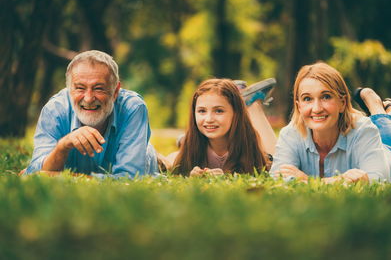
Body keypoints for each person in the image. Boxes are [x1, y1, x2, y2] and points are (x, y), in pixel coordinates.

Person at [23, 50, 158, 178]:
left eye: (98, 88)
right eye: (80, 88)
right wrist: (63, 146)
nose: (88, 98)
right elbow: (36, 171)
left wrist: (65, 177)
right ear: (69, 89)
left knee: (166, 165)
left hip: (144, 156)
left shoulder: (133, 108)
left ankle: (170, 155)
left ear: (116, 91)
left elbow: (129, 179)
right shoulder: (54, 110)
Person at [271, 62, 391, 183]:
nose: (317, 109)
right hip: (369, 142)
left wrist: (307, 181)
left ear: (342, 103)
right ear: (299, 106)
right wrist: (340, 180)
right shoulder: (290, 134)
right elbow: (278, 178)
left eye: (326, 96)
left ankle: (375, 103)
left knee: (384, 126)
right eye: (307, 99)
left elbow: (378, 179)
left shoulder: (364, 129)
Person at [170, 78, 277, 176]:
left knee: (275, 159)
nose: (209, 119)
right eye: (202, 111)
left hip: (263, 152)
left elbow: (259, 174)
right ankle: (182, 140)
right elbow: (178, 173)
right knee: (171, 159)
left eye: (219, 111)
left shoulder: (248, 144)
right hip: (190, 144)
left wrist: (225, 177)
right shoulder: (192, 146)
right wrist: (191, 175)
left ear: (236, 113)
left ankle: (252, 103)